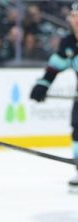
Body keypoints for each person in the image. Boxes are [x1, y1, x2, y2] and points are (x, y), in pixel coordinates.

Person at [30, 2, 78, 193]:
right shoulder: (68, 42)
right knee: (77, 129)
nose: (75, 20)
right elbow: (54, 66)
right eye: (73, 15)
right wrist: (43, 85)